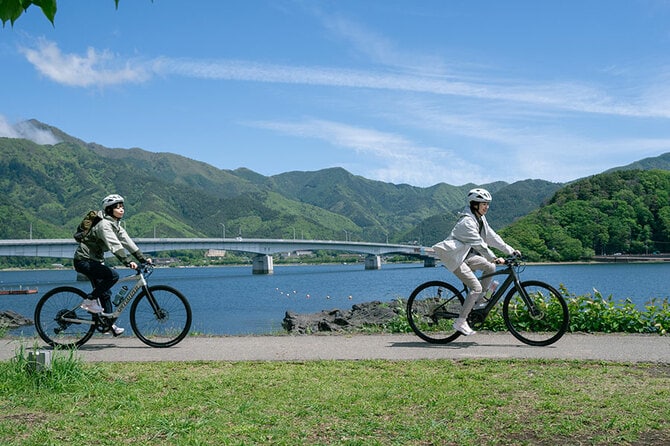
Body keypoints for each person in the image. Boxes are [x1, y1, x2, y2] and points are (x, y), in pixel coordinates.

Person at [432, 188, 520, 336]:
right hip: (455, 257)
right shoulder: (467, 222)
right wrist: (495, 257)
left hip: (466, 255)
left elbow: (492, 237)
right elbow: (480, 244)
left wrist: (510, 251)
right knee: (476, 287)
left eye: (487, 204)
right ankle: (460, 321)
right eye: (483, 204)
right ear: (475, 205)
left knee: (490, 267)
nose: (487, 207)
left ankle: (479, 301)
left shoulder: (480, 218)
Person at [73, 194, 152, 336]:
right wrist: (127, 262)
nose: (121, 209)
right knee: (113, 276)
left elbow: (128, 242)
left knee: (106, 293)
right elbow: (114, 245)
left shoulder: (115, 225)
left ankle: (108, 324)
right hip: (84, 261)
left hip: (94, 261)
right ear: (109, 210)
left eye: (122, 206)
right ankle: (89, 301)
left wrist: (142, 259)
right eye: (117, 207)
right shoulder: (104, 225)